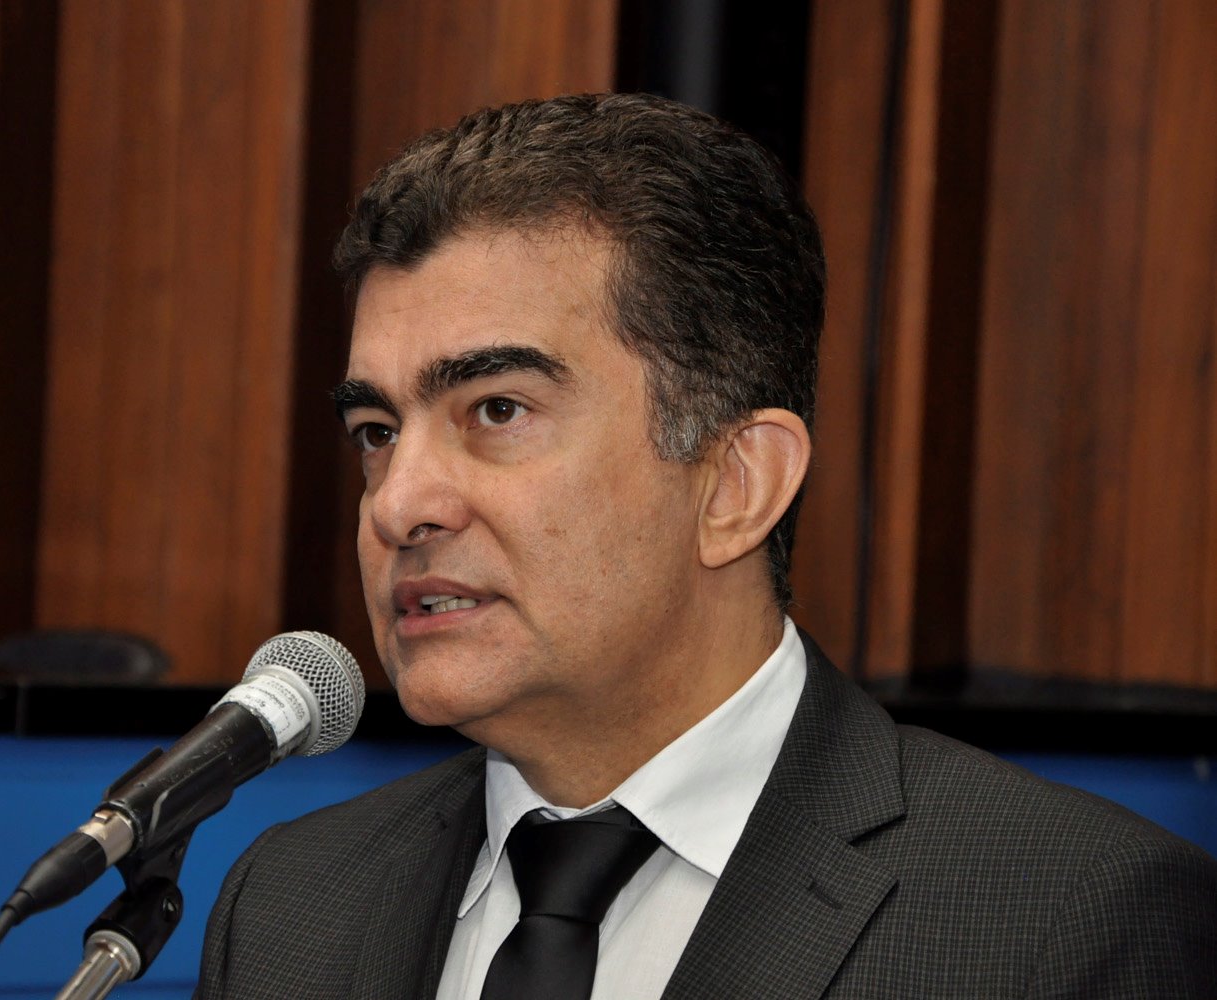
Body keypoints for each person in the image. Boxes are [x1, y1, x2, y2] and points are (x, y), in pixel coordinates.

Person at [194, 93, 1217, 999]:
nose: (398, 503)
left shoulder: (1065, 923)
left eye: (496, 409)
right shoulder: (290, 906)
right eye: (377, 431)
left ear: (737, 484)